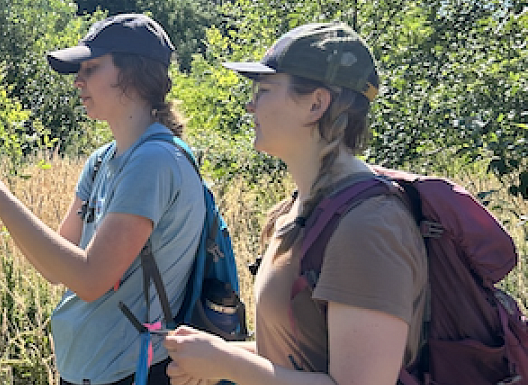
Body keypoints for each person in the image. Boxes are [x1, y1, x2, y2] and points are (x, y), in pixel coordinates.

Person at [0, 13, 205, 385]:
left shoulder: (154, 161)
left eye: (91, 68)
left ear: (134, 76)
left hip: (133, 371)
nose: (78, 81)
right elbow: (56, 266)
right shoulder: (102, 161)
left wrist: (2, 202)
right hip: (89, 368)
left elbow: (91, 279)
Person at [159, 22, 428, 385]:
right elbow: (299, 358)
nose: (250, 104)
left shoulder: (368, 226)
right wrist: (216, 355)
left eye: (265, 89)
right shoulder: (302, 209)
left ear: (316, 104)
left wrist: (228, 364)